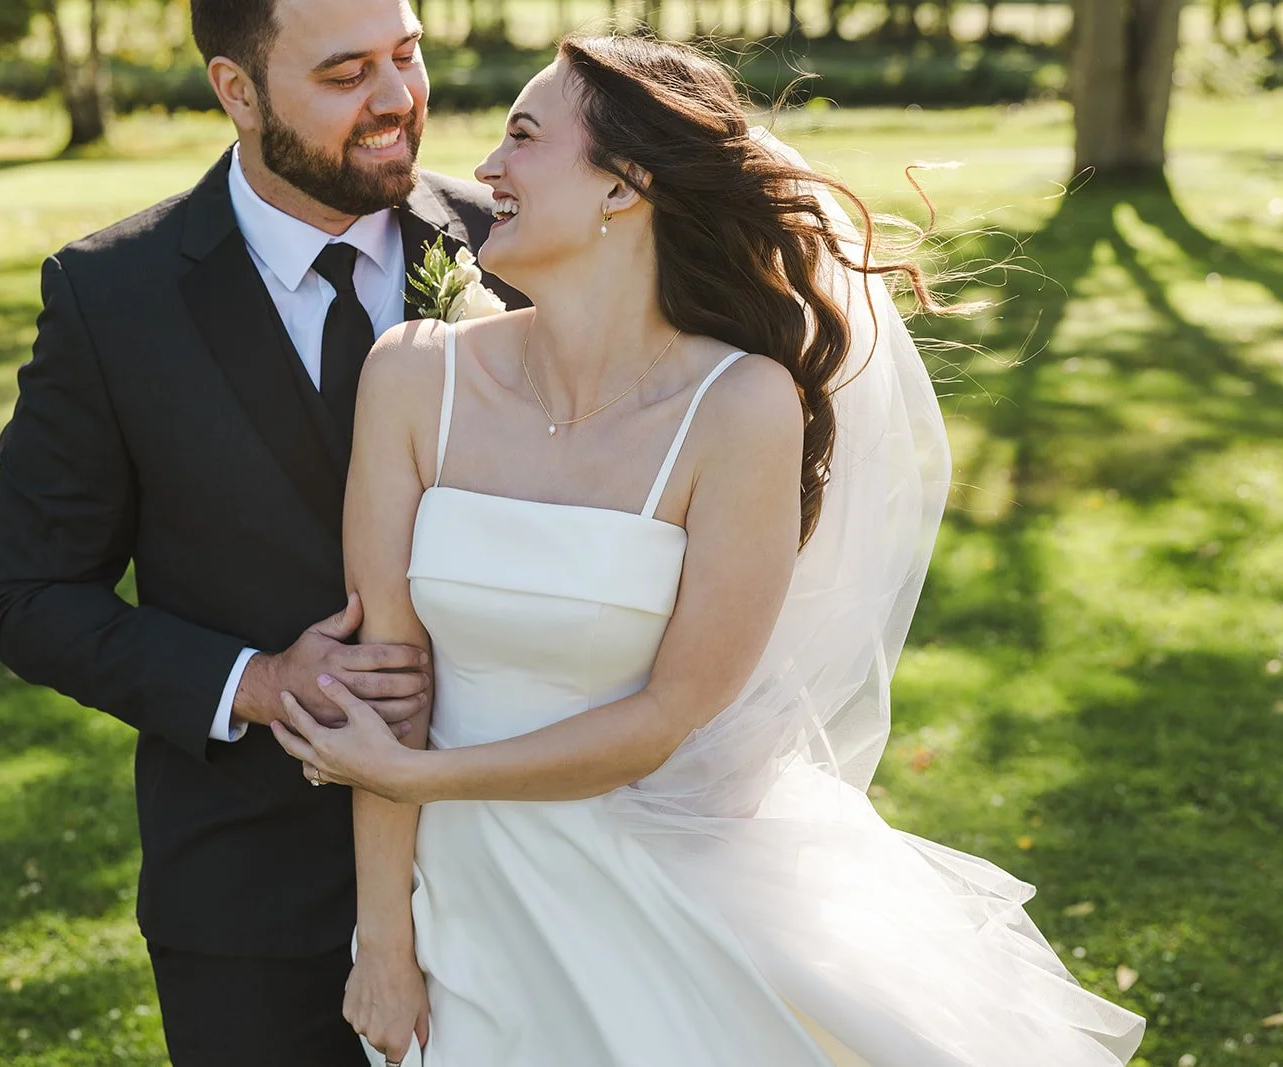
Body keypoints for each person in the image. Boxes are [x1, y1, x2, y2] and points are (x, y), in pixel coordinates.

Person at [271, 35, 1148, 1067]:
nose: (485, 170)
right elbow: (390, 676)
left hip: (657, 890)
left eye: (521, 135)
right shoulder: (415, 374)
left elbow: (663, 714)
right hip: (461, 915)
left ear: (624, 186)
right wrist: (386, 935)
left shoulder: (739, 407)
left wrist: (425, 776)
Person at [0, 0, 523, 1060]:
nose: (397, 99)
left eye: (406, 56)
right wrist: (261, 682)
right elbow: (31, 597)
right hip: (253, 894)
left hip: (519, 849)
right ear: (236, 90)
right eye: (345, 72)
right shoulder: (110, 296)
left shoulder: (516, 243)